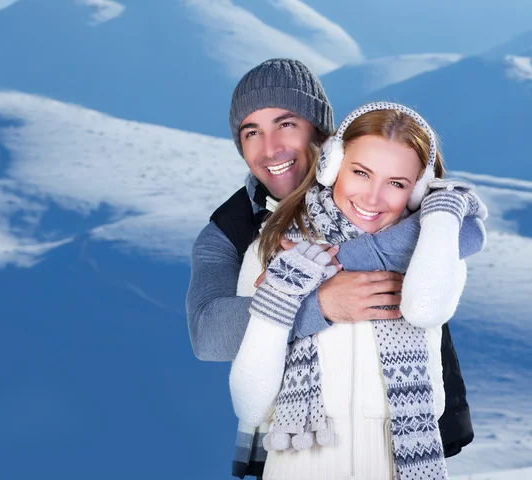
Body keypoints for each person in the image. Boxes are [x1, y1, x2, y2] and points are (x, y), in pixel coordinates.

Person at [185, 59, 485, 477]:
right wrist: (318, 302)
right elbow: (209, 335)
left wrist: (338, 260)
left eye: (285, 124)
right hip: (297, 442)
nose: (270, 148)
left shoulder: (397, 208)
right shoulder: (236, 234)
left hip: (403, 433)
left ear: (326, 141)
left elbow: (460, 237)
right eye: (251, 132)